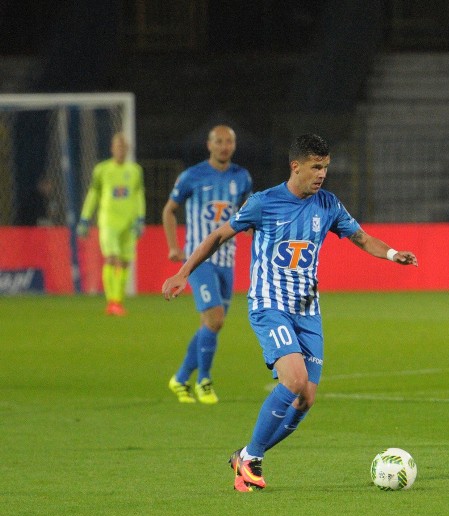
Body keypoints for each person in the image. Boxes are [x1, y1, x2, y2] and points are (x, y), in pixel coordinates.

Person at [162, 133, 418, 491]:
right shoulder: (263, 203)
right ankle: (251, 460)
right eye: (316, 167)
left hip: (307, 311)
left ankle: (247, 454)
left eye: (326, 167)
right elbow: (218, 236)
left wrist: (393, 255)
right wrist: (183, 272)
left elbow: (361, 237)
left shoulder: (328, 204)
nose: (322, 174)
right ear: (295, 166)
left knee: (306, 398)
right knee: (294, 380)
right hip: (270, 306)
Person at [162, 125, 253, 405]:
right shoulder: (192, 176)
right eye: (219, 141)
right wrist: (174, 247)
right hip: (199, 260)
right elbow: (169, 210)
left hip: (227, 259)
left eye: (229, 142)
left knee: (210, 325)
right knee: (215, 319)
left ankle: (179, 379)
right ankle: (204, 380)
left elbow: (248, 213)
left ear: (234, 146)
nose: (224, 146)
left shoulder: (242, 177)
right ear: (209, 145)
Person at [77, 132, 146, 316]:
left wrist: (140, 218)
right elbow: (93, 194)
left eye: (123, 147)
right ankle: (112, 301)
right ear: (112, 149)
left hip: (129, 223)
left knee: (124, 262)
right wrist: (85, 218)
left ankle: (118, 301)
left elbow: (138, 195)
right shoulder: (102, 170)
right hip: (108, 221)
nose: (120, 151)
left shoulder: (135, 171)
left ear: (127, 150)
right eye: (117, 147)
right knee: (111, 258)